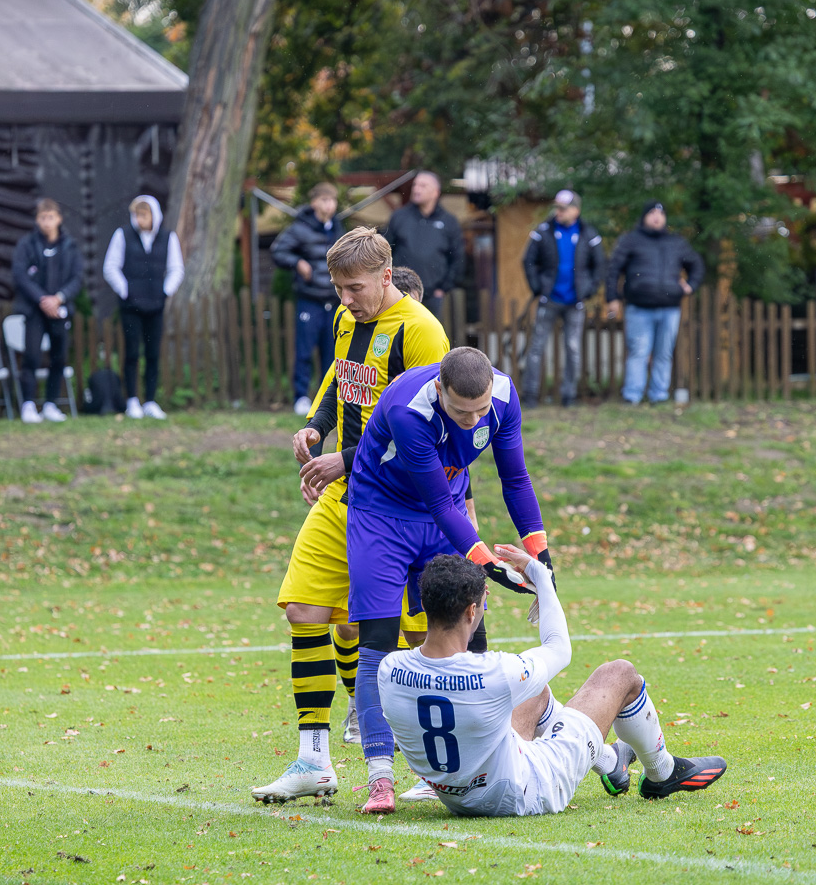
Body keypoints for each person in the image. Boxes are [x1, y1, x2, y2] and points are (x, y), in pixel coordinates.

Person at [250, 229, 451, 807]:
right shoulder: (346, 318)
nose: (345, 299)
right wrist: (316, 427)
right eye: (338, 288)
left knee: (419, 634)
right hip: (347, 494)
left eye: (355, 288)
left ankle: (435, 763)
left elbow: (432, 432)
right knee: (304, 609)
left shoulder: (421, 332)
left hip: (402, 504)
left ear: (386, 276)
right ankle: (314, 760)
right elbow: (340, 382)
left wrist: (345, 458)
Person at [344, 346, 551, 814]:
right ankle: (380, 777)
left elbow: (516, 479)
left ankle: (463, 768)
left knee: (469, 633)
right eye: (461, 412)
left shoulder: (504, 396)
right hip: (382, 514)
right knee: (377, 642)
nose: (472, 420)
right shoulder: (408, 411)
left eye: (480, 411)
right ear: (439, 390)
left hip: (446, 513)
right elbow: (437, 503)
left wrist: (542, 559)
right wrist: (488, 565)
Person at [381, 550, 728, 816]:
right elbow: (559, 649)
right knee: (619, 673)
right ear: (472, 611)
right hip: (523, 792)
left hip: (458, 798)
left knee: (535, 692)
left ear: (424, 604)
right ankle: (662, 774)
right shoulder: (493, 673)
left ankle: (610, 762)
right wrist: (541, 577)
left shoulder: (390, 669)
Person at [604, 201, 704, 405]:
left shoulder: (676, 242)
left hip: (670, 308)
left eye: (660, 213)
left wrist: (690, 286)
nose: (657, 217)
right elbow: (613, 269)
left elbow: (697, 265)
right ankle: (632, 395)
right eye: (652, 212)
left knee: (663, 354)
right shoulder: (631, 240)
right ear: (644, 217)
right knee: (639, 352)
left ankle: (659, 395)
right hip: (639, 308)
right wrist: (612, 297)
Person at [521, 189, 606, 407]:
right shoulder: (543, 231)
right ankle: (530, 395)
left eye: (563, 208)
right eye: (557, 207)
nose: (558, 212)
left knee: (572, 349)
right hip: (549, 300)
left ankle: (569, 396)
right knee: (536, 348)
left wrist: (588, 290)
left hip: (575, 302)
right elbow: (528, 261)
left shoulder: (588, 234)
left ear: (576, 210)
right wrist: (538, 287)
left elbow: (600, 265)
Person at [103, 194, 184, 419]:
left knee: (152, 353)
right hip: (131, 306)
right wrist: (125, 290)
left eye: (144, 214)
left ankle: (150, 400)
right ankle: (132, 400)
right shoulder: (123, 235)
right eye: (137, 215)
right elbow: (110, 267)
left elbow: (176, 268)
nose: (140, 219)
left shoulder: (168, 238)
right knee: (131, 352)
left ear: (154, 216)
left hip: (155, 304)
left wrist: (165, 291)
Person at [271, 182, 344, 415]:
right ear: (314, 203)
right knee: (304, 351)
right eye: (324, 200)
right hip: (309, 299)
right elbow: (278, 250)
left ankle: (327, 398)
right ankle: (301, 396)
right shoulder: (299, 228)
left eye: (332, 200)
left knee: (331, 353)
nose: (329, 205)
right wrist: (297, 262)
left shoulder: (338, 228)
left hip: (334, 300)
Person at [11, 198, 83, 423]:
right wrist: (42, 299)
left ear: (59, 219)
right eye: (42, 218)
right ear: (37, 220)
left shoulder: (69, 246)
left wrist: (59, 299)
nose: (47, 222)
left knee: (58, 357)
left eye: (51, 217)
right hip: (34, 310)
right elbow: (20, 275)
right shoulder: (27, 245)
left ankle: (51, 404)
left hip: (60, 310)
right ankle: (28, 405)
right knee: (31, 357)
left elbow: (77, 278)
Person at [384, 171, 464, 316]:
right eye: (415, 185)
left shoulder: (448, 221)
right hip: (402, 293)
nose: (416, 189)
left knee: (431, 330)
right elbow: (385, 251)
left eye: (423, 185)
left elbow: (457, 257)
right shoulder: (399, 217)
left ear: (435, 192)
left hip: (434, 295)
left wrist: (444, 288)